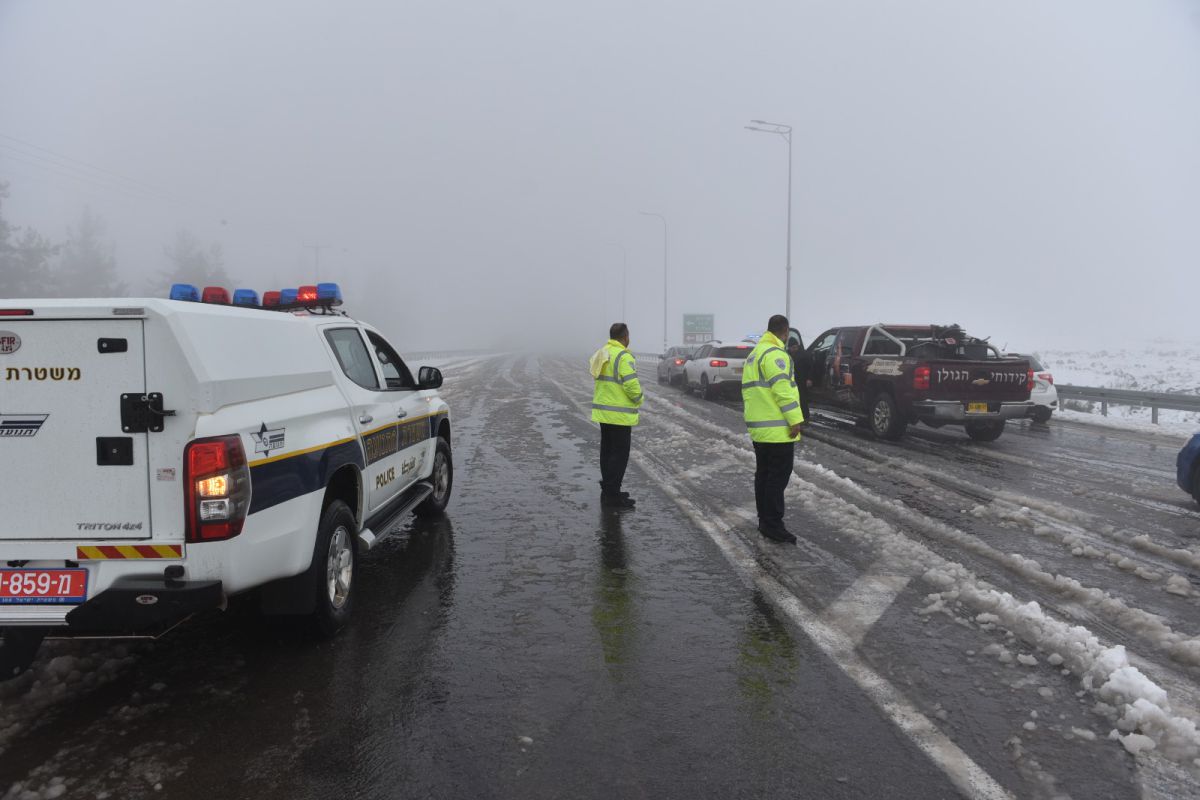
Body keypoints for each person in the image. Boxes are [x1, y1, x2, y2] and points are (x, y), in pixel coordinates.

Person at [742, 314, 805, 543]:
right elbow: (783, 390)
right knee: (777, 478)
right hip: (778, 429)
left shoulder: (754, 355)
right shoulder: (776, 355)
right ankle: (773, 524)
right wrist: (795, 419)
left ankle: (764, 520)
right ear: (785, 332)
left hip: (760, 428)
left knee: (764, 475)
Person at [590, 322, 643, 509]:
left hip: (604, 413)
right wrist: (639, 399)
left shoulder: (602, 352)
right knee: (619, 455)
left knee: (607, 452)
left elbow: (593, 371)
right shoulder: (623, 356)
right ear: (625, 336)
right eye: (628, 335)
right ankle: (613, 496)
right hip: (619, 415)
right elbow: (631, 384)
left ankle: (608, 490)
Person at [786, 328, 812, 424]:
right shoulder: (787, 355)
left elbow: (810, 367)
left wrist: (809, 378)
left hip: (802, 380)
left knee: (802, 399)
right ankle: (796, 418)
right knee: (793, 400)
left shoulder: (804, 355)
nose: (794, 349)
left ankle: (805, 418)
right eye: (792, 348)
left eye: (795, 347)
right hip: (792, 381)